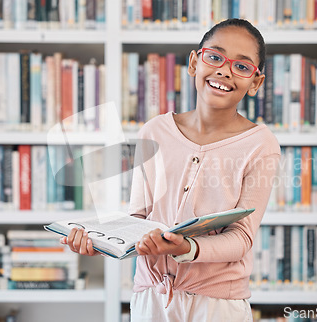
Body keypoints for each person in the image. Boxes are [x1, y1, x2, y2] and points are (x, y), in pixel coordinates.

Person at [61, 18, 280, 322]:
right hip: (151, 300)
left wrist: (188, 247)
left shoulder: (261, 144)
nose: (224, 70)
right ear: (194, 62)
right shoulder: (155, 131)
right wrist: (102, 242)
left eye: (242, 67)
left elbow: (242, 237)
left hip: (216, 306)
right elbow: (137, 219)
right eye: (214, 57)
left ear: (256, 82)